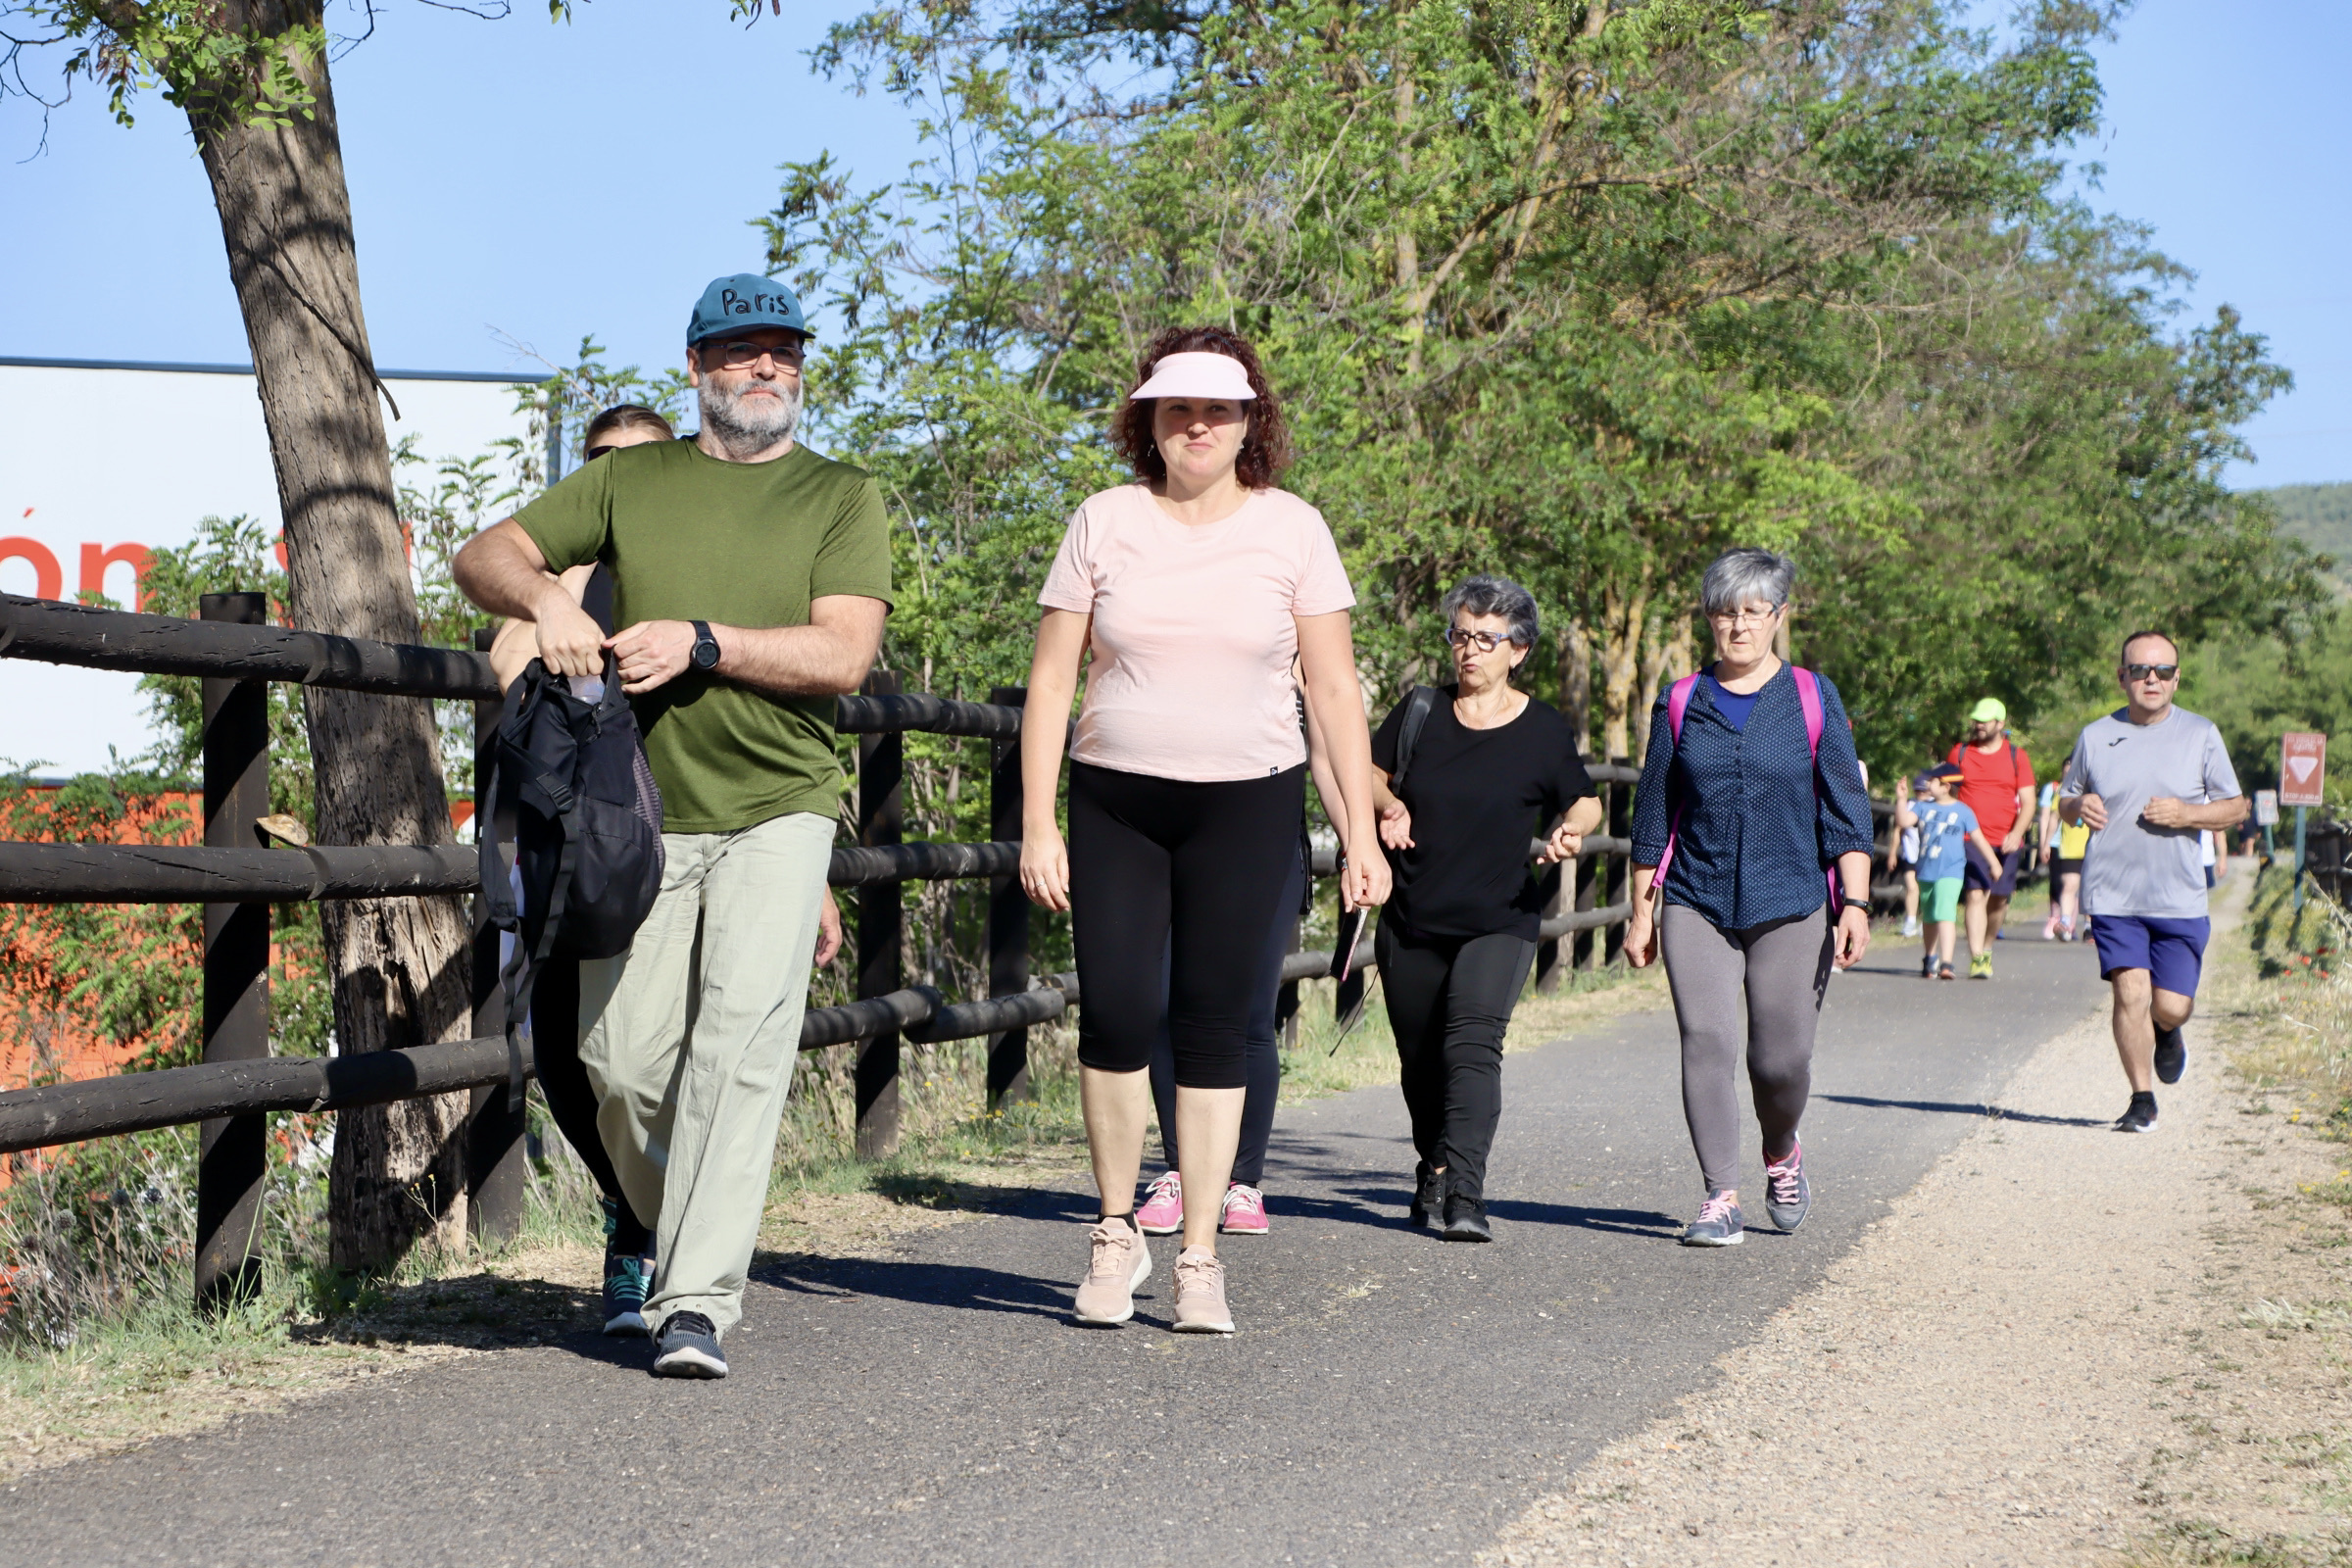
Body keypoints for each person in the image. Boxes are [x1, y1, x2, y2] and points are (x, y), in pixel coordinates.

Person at [454, 274, 891, 1378]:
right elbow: (482, 554)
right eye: (742, 352)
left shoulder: (841, 496)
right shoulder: (632, 481)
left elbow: (842, 655)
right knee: (618, 1062)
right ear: (697, 368)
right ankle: (663, 1226)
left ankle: (694, 1301)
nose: (766, 369)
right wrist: (550, 601)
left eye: (783, 352)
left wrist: (705, 641)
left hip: (779, 811)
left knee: (739, 1052)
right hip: (641, 819)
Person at [1020, 326, 1388, 1334]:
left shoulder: (1293, 530)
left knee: (1221, 1023)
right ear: (1148, 418)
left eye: (1216, 410)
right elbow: (1053, 679)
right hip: (1116, 798)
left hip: (1249, 801)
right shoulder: (1103, 521)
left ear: (1248, 422)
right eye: (1176, 408)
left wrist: (1360, 832)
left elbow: (1333, 689)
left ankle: (1198, 1257)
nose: (1195, 426)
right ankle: (1110, 1232)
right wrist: (1036, 822)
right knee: (1120, 1012)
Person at [1625, 548, 1877, 1247]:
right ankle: (1719, 1197)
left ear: (1778, 617)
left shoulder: (1811, 696)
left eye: (1752, 612)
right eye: (1724, 612)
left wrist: (1853, 903)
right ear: (1709, 618)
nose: (1738, 626)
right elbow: (1652, 813)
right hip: (1695, 896)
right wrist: (1640, 910)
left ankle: (1782, 1152)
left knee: (1779, 1061)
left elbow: (1847, 811)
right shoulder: (1679, 701)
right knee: (1705, 1039)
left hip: (1793, 899)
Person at [1369, 574, 1601, 1242]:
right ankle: (1434, 1162)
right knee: (1420, 1062)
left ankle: (1466, 1194)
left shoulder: (1541, 729)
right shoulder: (1419, 710)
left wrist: (1572, 827)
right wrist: (1390, 804)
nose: (1469, 651)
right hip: (1412, 916)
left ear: (1518, 650)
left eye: (1486, 639)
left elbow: (1584, 798)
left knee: (1473, 1047)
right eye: (1461, 636)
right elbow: (1368, 770)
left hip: (1499, 918)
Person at [1138, 666, 1348, 1240]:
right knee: (1162, 1006)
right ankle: (1181, 1171)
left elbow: (1327, 763)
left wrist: (1357, 844)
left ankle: (1243, 1182)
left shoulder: (1299, 665)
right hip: (1173, 842)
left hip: (1266, 847)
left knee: (1250, 1012)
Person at [2058, 631, 2248, 1133]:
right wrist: (2078, 806)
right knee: (2130, 993)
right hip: (2113, 894)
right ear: (2122, 676)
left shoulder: (2201, 734)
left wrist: (2188, 813)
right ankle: (2141, 1098)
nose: (2152, 679)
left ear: (2176, 678)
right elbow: (2065, 799)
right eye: (2141, 670)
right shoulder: (2096, 736)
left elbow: (2236, 806)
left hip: (2178, 895)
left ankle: (2168, 1032)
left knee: (2170, 1005)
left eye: (2163, 671)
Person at [1947, 699, 2035, 977]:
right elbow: (1947, 795)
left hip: (2006, 840)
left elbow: (2029, 802)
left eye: (1985, 721)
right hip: (1970, 838)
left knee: (1999, 899)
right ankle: (1976, 958)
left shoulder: (2016, 755)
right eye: (1976, 720)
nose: (1979, 725)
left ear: (2000, 723)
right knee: (1975, 894)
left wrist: (2017, 833)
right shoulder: (1960, 753)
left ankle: (1986, 948)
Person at [1909, 763, 2000, 980]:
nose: (1927, 784)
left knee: (1946, 914)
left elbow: (1978, 838)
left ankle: (1947, 963)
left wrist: (1994, 863)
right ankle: (1930, 957)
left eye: (1932, 781)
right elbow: (1904, 822)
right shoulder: (1922, 807)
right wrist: (1902, 799)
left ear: (1946, 786)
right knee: (1930, 916)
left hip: (1951, 870)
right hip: (1926, 870)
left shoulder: (1963, 811)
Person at [1889, 772, 1930, 939]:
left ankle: (1925, 922)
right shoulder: (1909, 806)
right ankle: (1910, 921)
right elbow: (1898, 829)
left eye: (1924, 791)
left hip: (1927, 855)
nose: (1921, 794)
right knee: (1912, 887)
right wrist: (1892, 853)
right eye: (1918, 791)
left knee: (1926, 890)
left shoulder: (1934, 807)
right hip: (1910, 854)